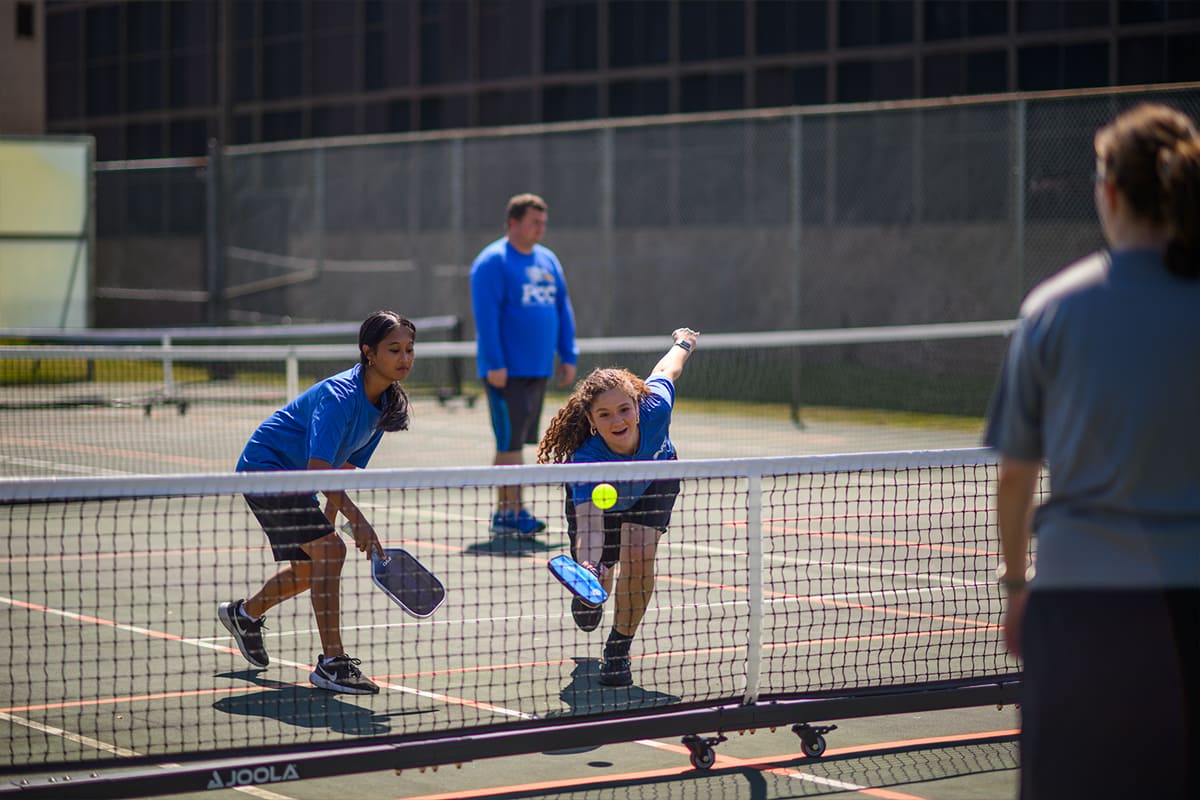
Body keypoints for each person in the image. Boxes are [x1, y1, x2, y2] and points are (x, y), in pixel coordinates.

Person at [984, 103, 1200, 799]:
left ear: (1108, 193)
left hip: (1082, 606)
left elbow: (1016, 476)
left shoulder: (1054, 309)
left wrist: (1017, 587)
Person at [219, 310, 417, 695]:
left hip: (300, 479)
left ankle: (244, 615)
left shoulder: (386, 403)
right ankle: (332, 663)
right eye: (394, 349)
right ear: (368, 353)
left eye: (409, 350)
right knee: (332, 552)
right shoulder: (339, 397)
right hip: (267, 470)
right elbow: (317, 471)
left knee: (313, 567)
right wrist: (357, 521)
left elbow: (341, 468)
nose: (404, 358)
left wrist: (331, 519)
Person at [537, 327, 700, 687]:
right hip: (602, 498)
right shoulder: (586, 461)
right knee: (603, 577)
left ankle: (618, 649)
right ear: (592, 421)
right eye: (605, 415)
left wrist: (683, 343)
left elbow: (667, 370)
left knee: (640, 554)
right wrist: (589, 566)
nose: (618, 421)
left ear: (638, 408)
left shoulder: (656, 406)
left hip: (654, 480)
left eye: (624, 409)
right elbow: (591, 526)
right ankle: (593, 592)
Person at [470, 193, 578, 536]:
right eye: (534, 222)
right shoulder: (492, 262)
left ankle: (514, 510)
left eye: (543, 223)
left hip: (538, 369)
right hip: (506, 372)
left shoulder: (548, 260)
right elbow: (486, 318)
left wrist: (568, 353)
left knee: (519, 442)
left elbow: (562, 307)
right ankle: (508, 513)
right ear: (513, 222)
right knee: (509, 443)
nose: (540, 229)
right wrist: (495, 362)